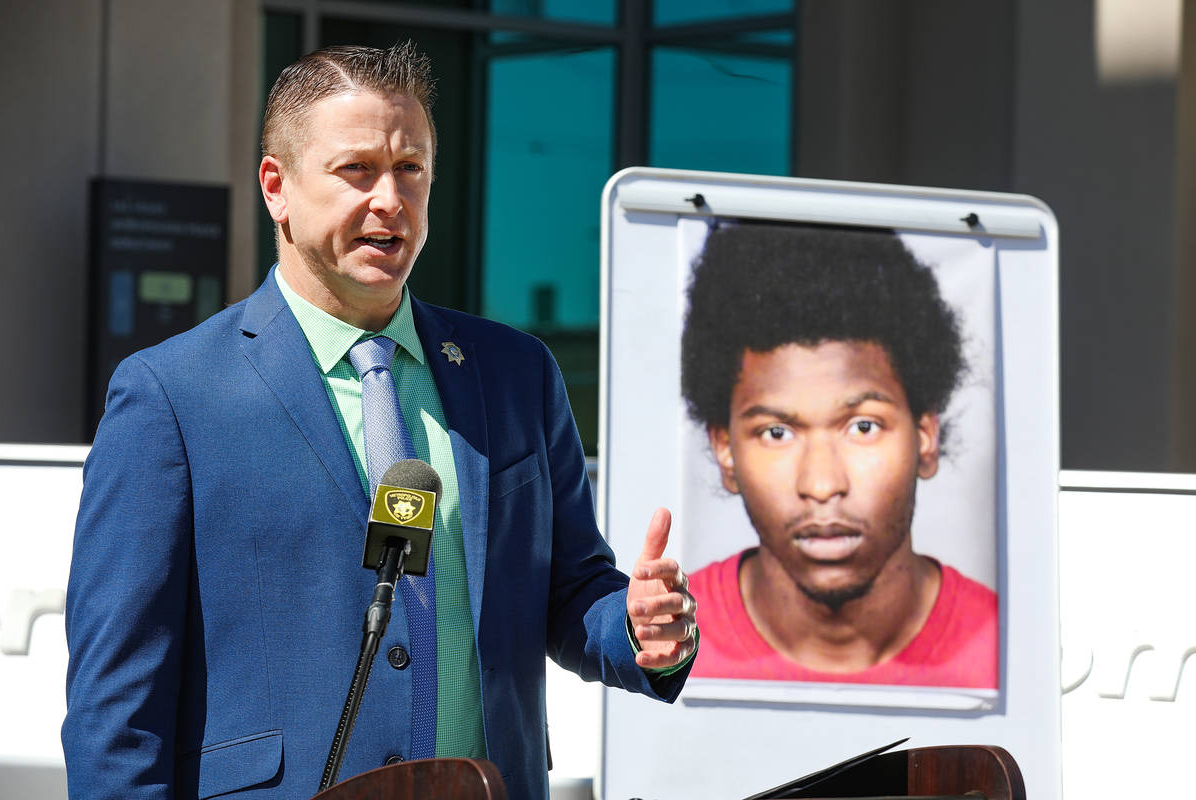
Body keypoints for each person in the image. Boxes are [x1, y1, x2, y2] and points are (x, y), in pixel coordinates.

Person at [62, 43, 696, 800]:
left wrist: (638, 628)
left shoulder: (515, 375)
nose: (390, 200)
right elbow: (115, 711)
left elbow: (572, 592)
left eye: (411, 169)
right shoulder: (171, 397)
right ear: (278, 187)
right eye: (356, 170)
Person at [681, 221, 996, 688]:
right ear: (725, 450)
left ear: (925, 435)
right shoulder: (671, 647)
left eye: (862, 427)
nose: (823, 484)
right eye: (776, 432)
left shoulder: (1004, 648)